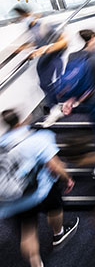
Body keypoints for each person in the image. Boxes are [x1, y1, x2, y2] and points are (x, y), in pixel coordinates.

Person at [0, 109, 79, 267]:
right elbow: (54, 165)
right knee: (54, 208)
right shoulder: (39, 138)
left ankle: (36, 264)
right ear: (21, 120)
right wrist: (67, 178)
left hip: (13, 197)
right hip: (41, 189)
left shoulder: (2, 144)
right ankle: (58, 234)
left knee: (27, 233)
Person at [12, 6, 68, 119]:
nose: (21, 20)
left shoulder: (45, 25)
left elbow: (64, 41)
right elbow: (37, 41)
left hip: (53, 56)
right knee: (43, 83)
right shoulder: (31, 28)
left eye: (22, 17)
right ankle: (54, 106)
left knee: (56, 82)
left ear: (28, 14)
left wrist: (45, 49)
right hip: (45, 57)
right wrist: (23, 49)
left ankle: (62, 105)